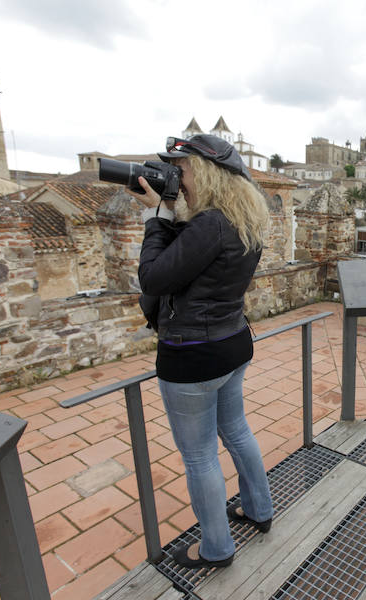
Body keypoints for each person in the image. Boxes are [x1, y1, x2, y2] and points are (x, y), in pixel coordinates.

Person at [128, 134, 274, 569]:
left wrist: (156, 219)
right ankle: (259, 510)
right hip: (232, 345)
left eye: (183, 169)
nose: (178, 177)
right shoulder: (243, 219)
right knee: (238, 431)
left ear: (207, 173)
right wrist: (171, 212)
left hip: (192, 356)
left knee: (199, 456)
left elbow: (154, 278)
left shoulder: (210, 224)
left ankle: (216, 548)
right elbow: (193, 259)